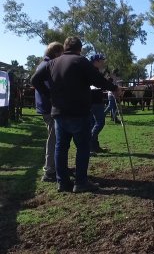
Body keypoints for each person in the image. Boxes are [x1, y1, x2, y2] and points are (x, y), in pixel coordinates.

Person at [31, 37, 120, 193]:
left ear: (65, 47)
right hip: (79, 112)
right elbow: (98, 80)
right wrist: (114, 87)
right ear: (80, 49)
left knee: (61, 148)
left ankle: (62, 183)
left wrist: (49, 95)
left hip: (59, 113)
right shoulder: (81, 61)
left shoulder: (52, 63)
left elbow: (34, 80)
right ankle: (80, 182)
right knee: (83, 147)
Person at [35, 42, 64, 182]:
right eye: (61, 53)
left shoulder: (43, 64)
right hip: (49, 107)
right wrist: (52, 97)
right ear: (56, 52)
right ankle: (49, 170)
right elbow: (47, 86)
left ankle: (54, 166)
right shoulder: (49, 65)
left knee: (53, 136)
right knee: (53, 138)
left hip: (44, 106)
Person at [89, 54, 109, 156]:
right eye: (101, 60)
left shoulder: (93, 71)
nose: (103, 62)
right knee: (100, 122)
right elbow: (96, 86)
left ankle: (94, 147)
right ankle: (89, 144)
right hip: (95, 101)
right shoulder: (93, 71)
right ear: (96, 61)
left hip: (92, 101)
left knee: (93, 124)